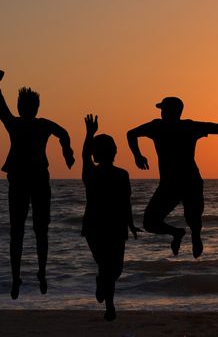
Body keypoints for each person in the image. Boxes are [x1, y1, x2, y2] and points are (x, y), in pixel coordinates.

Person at [0, 70, 75, 299]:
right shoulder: (22, 124)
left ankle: (39, 272)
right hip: (22, 179)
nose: (25, 109)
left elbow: (64, 133)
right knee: (27, 231)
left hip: (34, 179)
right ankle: (20, 276)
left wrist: (67, 150)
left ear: (34, 107)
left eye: (27, 105)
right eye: (24, 105)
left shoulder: (34, 124)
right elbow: (0, 106)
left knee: (35, 231)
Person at [127, 97, 218, 258]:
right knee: (150, 223)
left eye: (164, 109)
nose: (162, 113)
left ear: (171, 111)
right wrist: (137, 155)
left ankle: (195, 236)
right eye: (162, 110)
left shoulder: (183, 126)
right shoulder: (159, 126)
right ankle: (178, 233)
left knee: (193, 219)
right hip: (171, 184)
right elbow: (131, 134)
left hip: (189, 182)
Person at [82, 114, 141, 321]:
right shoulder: (90, 173)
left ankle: (102, 286)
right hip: (95, 226)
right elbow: (84, 156)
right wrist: (89, 134)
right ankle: (110, 306)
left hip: (116, 226)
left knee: (114, 270)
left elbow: (126, 201)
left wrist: (131, 224)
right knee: (107, 267)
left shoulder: (122, 175)